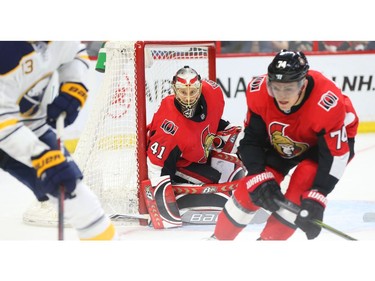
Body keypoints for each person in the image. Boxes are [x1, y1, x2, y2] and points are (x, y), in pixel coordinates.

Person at [213, 49, 359, 240]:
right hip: (285, 137)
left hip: (323, 148)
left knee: (301, 187)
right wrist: (258, 176)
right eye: (276, 87)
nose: (281, 95)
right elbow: (251, 141)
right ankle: (218, 241)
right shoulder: (258, 92)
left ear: (303, 84)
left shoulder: (327, 104)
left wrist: (318, 196)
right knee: (250, 188)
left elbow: (335, 156)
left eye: (288, 88)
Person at [0, 41, 117, 240]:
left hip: (30, 128)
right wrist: (41, 155)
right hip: (8, 129)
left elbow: (76, 53)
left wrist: (74, 84)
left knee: (75, 194)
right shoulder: (6, 53)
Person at [142, 65, 245, 229]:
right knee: (212, 178)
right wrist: (161, 209)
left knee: (240, 141)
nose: (188, 98)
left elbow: (213, 119)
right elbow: (156, 167)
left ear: (200, 88)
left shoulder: (213, 92)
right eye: (183, 92)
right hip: (178, 162)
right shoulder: (169, 128)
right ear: (175, 90)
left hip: (197, 148)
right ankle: (180, 187)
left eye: (193, 92)